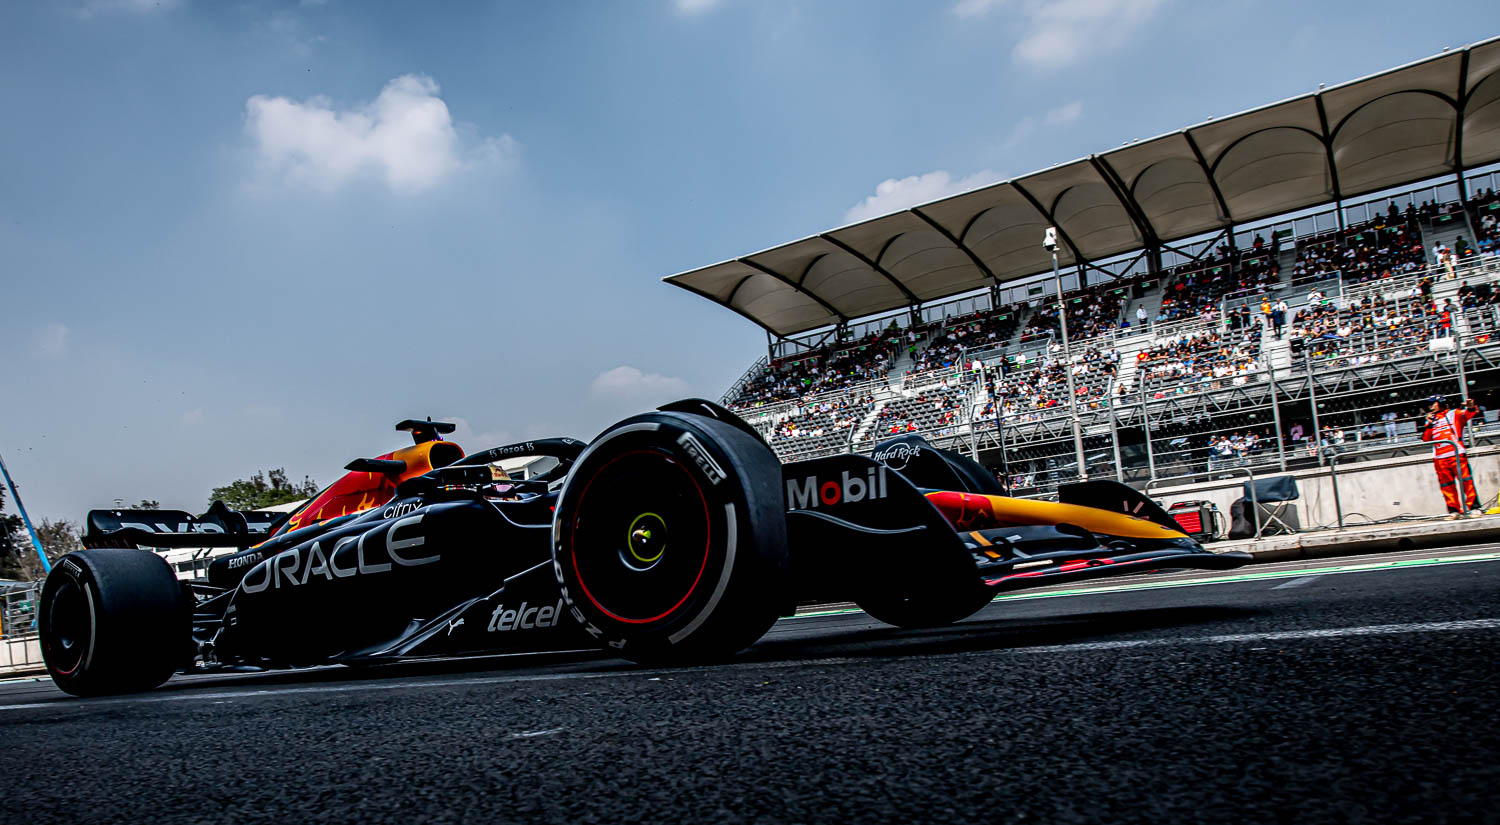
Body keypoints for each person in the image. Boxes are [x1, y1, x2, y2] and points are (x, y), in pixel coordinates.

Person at [1423, 395, 1484, 518]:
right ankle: (1454, 510)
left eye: (1432, 403)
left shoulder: (1453, 414)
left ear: (1440, 403)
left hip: (1456, 454)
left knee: (1466, 481)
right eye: (1429, 404)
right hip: (1439, 458)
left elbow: (1468, 414)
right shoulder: (1430, 419)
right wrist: (1429, 424)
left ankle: (1474, 508)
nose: (1430, 407)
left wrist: (1471, 407)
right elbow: (1426, 439)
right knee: (1446, 485)